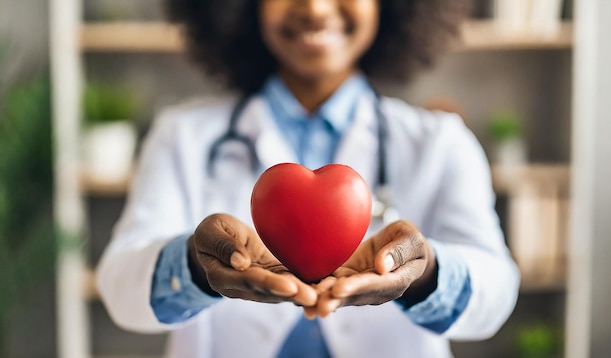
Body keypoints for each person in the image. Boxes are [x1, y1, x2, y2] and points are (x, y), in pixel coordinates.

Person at [96, 0, 520, 357]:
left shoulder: (440, 141)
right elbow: (120, 288)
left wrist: (426, 274)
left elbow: (495, 293)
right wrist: (193, 265)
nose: (315, 8)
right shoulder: (183, 136)